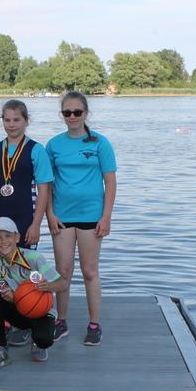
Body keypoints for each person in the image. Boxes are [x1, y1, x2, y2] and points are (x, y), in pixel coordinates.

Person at [46, 92, 117, 347]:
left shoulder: (100, 143)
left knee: (89, 271)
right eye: (67, 112)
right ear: (62, 115)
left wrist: (106, 217)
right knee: (62, 272)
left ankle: (94, 324)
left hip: (91, 217)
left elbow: (110, 181)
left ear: (86, 113)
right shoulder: (54, 145)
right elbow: (47, 184)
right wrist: (49, 214)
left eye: (77, 112)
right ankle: (61, 321)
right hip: (62, 217)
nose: (72, 117)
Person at [0, 217, 68, 371]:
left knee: (44, 340)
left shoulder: (34, 258)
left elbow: (63, 284)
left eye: (8, 236)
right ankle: (1, 349)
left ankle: (36, 339)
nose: (3, 241)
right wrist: (10, 296)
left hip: (41, 311)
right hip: (19, 309)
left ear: (17, 237)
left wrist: (49, 286)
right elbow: (1, 290)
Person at [0, 100, 53, 251]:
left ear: (26, 121)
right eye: (7, 120)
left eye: (17, 120)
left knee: (24, 269)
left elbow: (44, 190)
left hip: (25, 216)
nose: (11, 124)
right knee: (1, 269)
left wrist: (36, 225)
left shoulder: (37, 150)